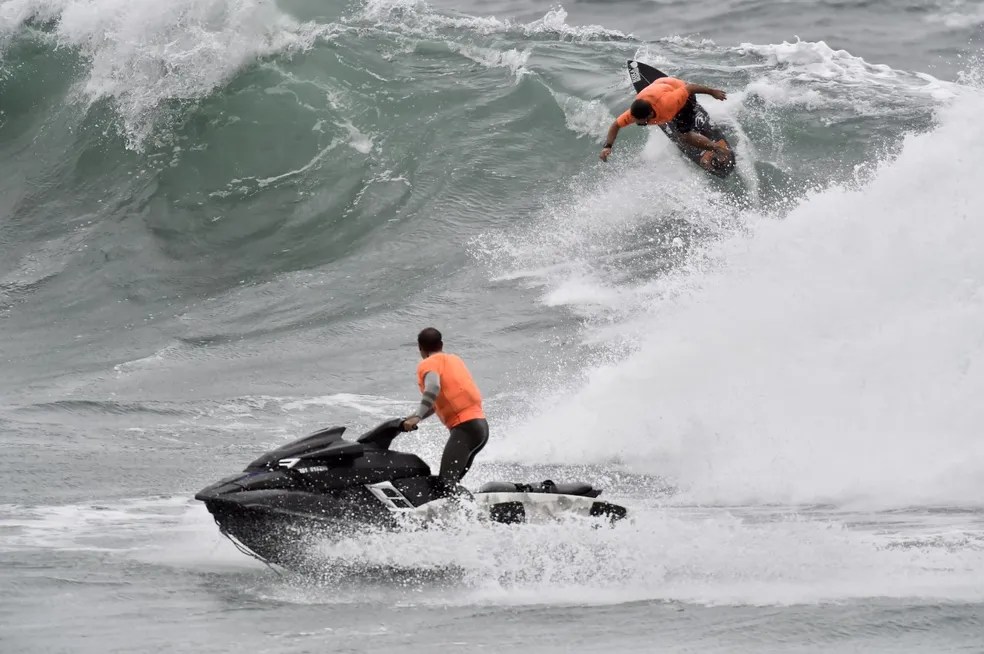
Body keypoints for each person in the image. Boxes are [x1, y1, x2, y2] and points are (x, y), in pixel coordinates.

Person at [401, 327, 489, 496]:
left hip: (466, 429)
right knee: (451, 483)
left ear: (420, 348)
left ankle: (464, 517)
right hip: (480, 429)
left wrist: (417, 416)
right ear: (441, 344)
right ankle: (467, 512)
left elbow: (433, 387)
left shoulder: (428, 363)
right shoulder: (454, 360)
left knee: (446, 484)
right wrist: (411, 418)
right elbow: (435, 405)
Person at [599, 76, 729, 170]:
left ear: (649, 115)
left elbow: (690, 88)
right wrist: (608, 146)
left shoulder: (669, 103)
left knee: (684, 136)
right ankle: (680, 121)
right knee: (672, 121)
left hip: (679, 89)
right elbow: (615, 125)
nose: (637, 123)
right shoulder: (633, 115)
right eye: (637, 121)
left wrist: (712, 92)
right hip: (659, 85)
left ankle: (717, 148)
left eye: (642, 122)